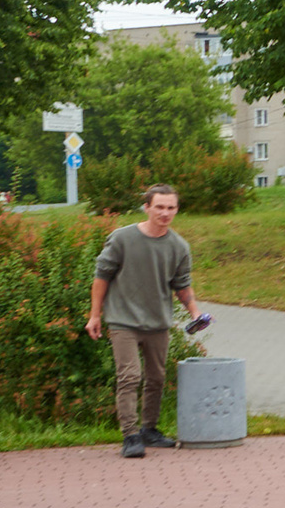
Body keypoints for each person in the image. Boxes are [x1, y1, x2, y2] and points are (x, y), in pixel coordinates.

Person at [87, 185, 203, 458]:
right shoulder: (122, 239)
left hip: (158, 321)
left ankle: (149, 429)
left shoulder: (179, 246)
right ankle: (130, 436)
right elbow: (101, 276)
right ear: (147, 207)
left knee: (157, 378)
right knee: (130, 376)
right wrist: (95, 315)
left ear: (177, 210)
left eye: (171, 208)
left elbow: (182, 285)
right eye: (159, 207)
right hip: (123, 321)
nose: (165, 213)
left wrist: (195, 313)